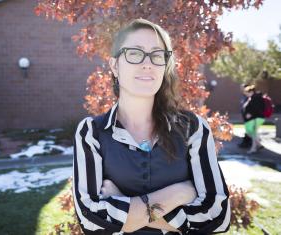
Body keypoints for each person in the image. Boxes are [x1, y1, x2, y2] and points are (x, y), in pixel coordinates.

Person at [72, 18, 230, 234]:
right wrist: (178, 194)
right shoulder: (92, 133)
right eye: (135, 53)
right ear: (115, 66)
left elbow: (217, 217)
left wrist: (122, 202)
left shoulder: (192, 128)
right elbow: (91, 221)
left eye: (157, 55)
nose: (147, 63)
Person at [242, 85, 265, 154]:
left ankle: (253, 148)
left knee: (254, 134)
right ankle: (259, 145)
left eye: (247, 92)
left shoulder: (256, 97)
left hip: (256, 118)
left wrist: (251, 114)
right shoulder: (253, 97)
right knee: (251, 133)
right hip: (255, 118)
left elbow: (257, 108)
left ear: (251, 91)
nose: (246, 94)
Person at [238, 83, 253, 148]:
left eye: (242, 87)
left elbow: (250, 105)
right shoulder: (244, 95)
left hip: (249, 116)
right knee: (247, 129)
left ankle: (248, 143)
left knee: (249, 130)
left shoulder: (248, 96)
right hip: (245, 115)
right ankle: (246, 142)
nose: (241, 89)